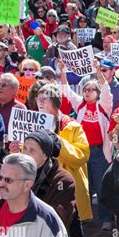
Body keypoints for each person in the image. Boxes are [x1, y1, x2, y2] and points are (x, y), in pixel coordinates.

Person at [60, 59, 113, 230]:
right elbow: (66, 90)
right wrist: (62, 71)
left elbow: (106, 90)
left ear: (97, 93)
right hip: (82, 152)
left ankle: (106, 218)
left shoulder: (104, 105)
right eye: (85, 90)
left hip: (99, 152)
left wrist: (98, 72)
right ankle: (86, 216)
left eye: (91, 90)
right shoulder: (80, 105)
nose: (88, 92)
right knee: (84, 186)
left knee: (101, 185)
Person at [35, 83, 92, 222]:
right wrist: (16, 149)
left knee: (71, 234)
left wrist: (56, 140)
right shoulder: (33, 124)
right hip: (40, 186)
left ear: (55, 102)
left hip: (65, 187)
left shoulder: (72, 126)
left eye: (45, 98)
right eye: (39, 98)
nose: (40, 101)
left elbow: (81, 156)